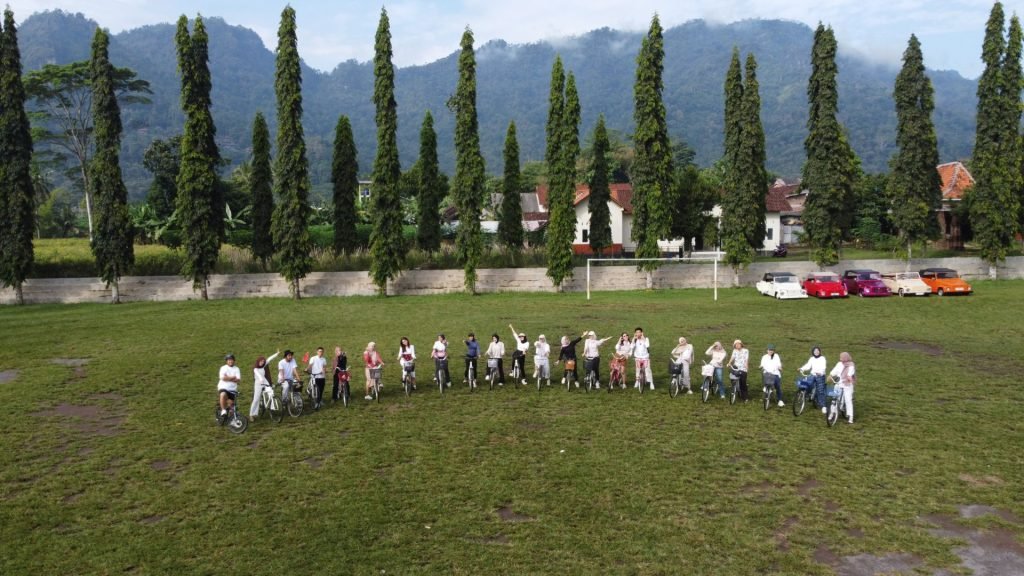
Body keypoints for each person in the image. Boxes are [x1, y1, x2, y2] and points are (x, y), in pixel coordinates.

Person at [250, 350, 280, 418]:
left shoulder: (263, 366)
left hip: (265, 382)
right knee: (256, 399)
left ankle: (272, 408)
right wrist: (261, 379)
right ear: (258, 362)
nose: (262, 363)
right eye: (261, 361)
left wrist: (276, 354)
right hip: (258, 383)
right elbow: (258, 375)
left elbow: (269, 359)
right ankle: (252, 414)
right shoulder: (255, 369)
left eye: (263, 362)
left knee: (271, 393)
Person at [798, 346, 828, 413]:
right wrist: (802, 368)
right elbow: (808, 365)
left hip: (820, 375)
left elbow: (824, 367)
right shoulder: (812, 358)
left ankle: (823, 406)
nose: (816, 352)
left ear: (819, 351)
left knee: (820, 391)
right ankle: (807, 395)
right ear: (813, 352)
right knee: (807, 385)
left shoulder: (822, 358)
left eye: (817, 351)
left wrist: (820, 372)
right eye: (815, 351)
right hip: (812, 375)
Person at [829, 351, 856, 424]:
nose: (840, 358)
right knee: (834, 399)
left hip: (847, 385)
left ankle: (850, 416)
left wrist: (849, 377)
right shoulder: (839, 364)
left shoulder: (851, 365)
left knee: (848, 400)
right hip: (839, 383)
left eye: (842, 357)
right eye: (840, 357)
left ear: (846, 358)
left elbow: (850, 373)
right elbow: (834, 371)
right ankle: (832, 413)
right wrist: (830, 375)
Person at [217, 354, 242, 421]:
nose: (230, 361)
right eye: (229, 360)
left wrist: (227, 377)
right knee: (223, 394)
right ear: (226, 361)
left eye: (231, 360)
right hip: (223, 387)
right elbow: (222, 378)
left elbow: (238, 380)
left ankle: (231, 420)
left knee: (231, 406)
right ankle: (223, 410)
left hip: (232, 389)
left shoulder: (237, 369)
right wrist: (233, 377)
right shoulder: (223, 368)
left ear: (234, 361)